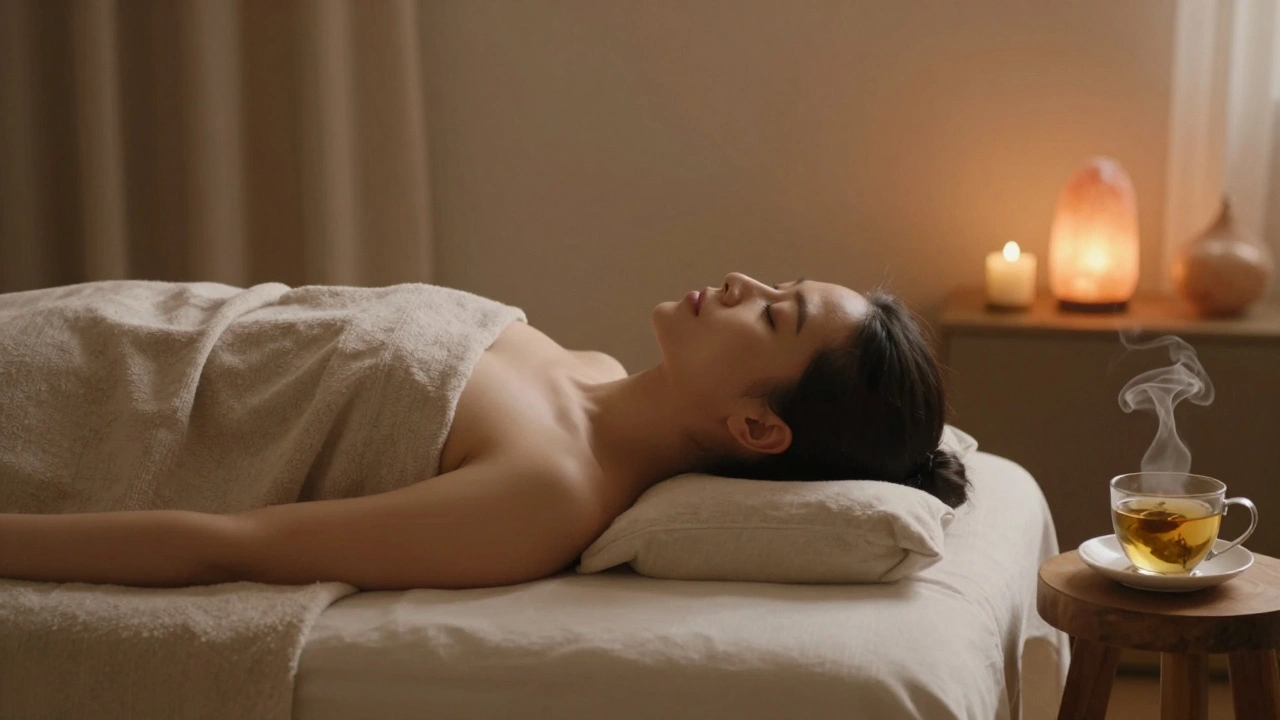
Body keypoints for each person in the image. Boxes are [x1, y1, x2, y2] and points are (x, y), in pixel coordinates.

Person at [0, 272, 967, 591]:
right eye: (779, 285)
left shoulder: (544, 496)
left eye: (775, 317)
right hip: (120, 326)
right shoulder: (582, 369)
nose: (747, 284)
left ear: (757, 426)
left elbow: (235, 544)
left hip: (89, 414)